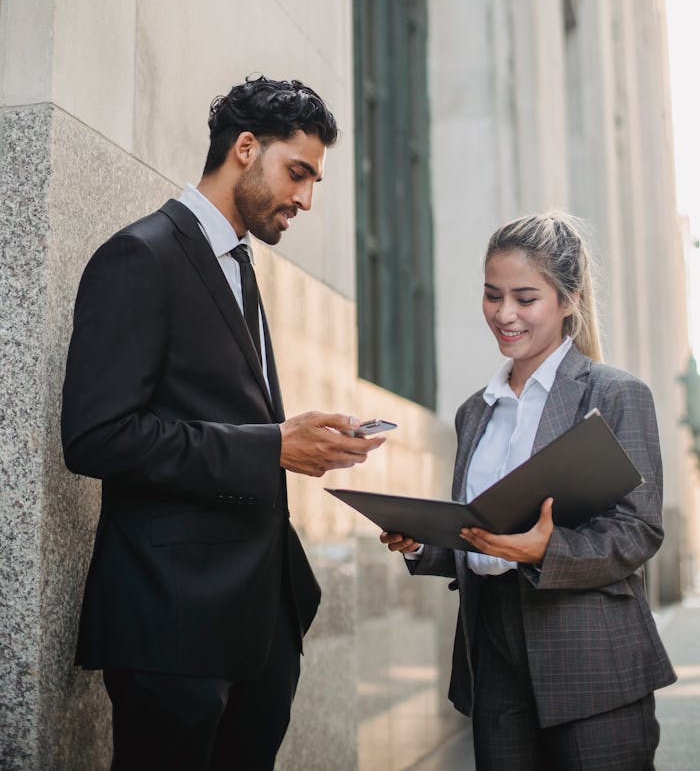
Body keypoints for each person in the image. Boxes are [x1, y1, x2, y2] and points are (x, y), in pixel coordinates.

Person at [61, 76, 385, 771]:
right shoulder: (140, 256)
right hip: (171, 624)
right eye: (297, 173)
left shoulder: (238, 264)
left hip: (258, 620)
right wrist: (272, 445)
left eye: (314, 181)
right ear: (244, 148)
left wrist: (301, 443)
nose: (305, 198)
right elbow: (96, 435)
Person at [381, 213, 675, 771]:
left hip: (590, 659)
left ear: (568, 300)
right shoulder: (476, 411)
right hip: (493, 656)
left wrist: (545, 550)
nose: (504, 314)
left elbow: (639, 530)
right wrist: (423, 543)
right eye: (493, 296)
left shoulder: (615, 395)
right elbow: (480, 533)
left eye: (525, 297)